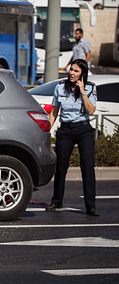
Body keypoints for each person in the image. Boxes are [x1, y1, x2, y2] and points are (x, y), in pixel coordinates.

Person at [46, 58, 99, 216]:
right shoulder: (60, 87)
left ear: (82, 74)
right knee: (61, 167)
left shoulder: (90, 88)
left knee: (87, 167)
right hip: (66, 130)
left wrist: (82, 92)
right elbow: (54, 112)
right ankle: (57, 201)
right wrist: (47, 130)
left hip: (83, 129)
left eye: (76, 71)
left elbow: (91, 111)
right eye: (71, 69)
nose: (72, 73)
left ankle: (91, 205)